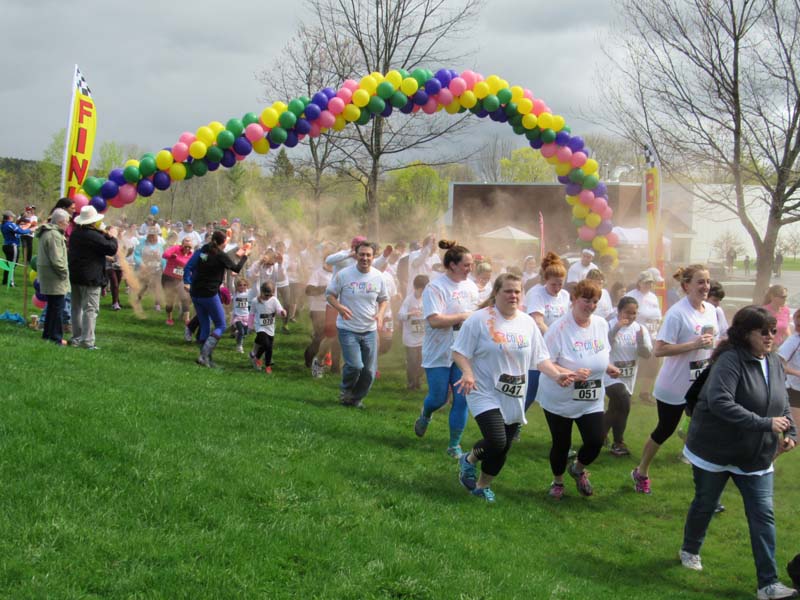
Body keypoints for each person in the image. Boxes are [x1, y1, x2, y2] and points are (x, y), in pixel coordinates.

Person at [679, 306, 797, 600]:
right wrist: (764, 423)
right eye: (764, 331)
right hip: (715, 449)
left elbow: (781, 402)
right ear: (746, 334)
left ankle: (768, 585)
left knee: (762, 515)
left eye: (774, 330)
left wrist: (790, 431)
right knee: (706, 502)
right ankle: (690, 548)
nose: (771, 336)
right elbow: (720, 401)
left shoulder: (773, 361)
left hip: (755, 456)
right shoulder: (730, 361)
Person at [452, 273, 575, 503]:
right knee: (497, 440)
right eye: (508, 291)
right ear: (496, 293)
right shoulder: (479, 320)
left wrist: (557, 375)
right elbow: (459, 351)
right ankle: (468, 460)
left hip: (514, 394)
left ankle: (481, 486)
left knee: (503, 447)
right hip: (484, 390)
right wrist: (467, 373)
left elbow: (541, 359)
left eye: (517, 291)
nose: (513, 295)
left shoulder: (527, 322)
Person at [632, 264, 719, 494]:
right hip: (674, 385)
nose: (705, 286)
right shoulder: (677, 313)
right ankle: (641, 471)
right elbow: (659, 350)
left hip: (700, 384)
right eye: (700, 282)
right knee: (664, 430)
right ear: (686, 286)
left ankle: (706, 490)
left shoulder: (710, 310)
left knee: (705, 432)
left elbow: (714, 341)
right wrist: (694, 344)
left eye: (708, 281)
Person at [537, 279, 620, 499]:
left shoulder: (601, 324)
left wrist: (608, 367)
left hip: (590, 397)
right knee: (561, 444)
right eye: (586, 300)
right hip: (560, 397)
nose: (591, 305)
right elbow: (544, 361)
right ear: (574, 299)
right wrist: (565, 373)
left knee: (596, 440)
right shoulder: (559, 329)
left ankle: (578, 469)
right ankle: (558, 482)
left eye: (595, 301)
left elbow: (601, 353)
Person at [413, 239, 479, 456]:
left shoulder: (471, 287)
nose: (471, 269)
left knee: (462, 398)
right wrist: (463, 317)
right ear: (452, 265)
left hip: (463, 352)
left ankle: (454, 445)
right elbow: (434, 320)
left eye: (471, 265)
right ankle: (426, 414)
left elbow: (476, 317)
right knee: (439, 397)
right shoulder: (435, 287)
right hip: (438, 350)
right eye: (466, 265)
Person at [325, 241, 388, 408]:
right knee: (355, 365)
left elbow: (383, 299)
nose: (365, 258)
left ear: (373, 257)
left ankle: (356, 398)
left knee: (369, 372)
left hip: (369, 330)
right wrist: (339, 307)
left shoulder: (378, 276)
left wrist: (380, 314)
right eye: (362, 254)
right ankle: (346, 391)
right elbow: (329, 295)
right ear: (356, 255)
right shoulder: (344, 274)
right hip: (348, 328)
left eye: (368, 255)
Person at [183, 230, 250, 367]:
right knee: (221, 325)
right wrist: (245, 256)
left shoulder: (203, 250)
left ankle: (205, 358)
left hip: (196, 292)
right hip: (209, 293)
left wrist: (187, 281)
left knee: (205, 325)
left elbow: (189, 266)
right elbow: (236, 269)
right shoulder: (220, 255)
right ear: (223, 243)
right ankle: (204, 356)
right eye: (225, 242)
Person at [603, 296, 653, 456]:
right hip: (610, 375)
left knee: (615, 408)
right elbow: (603, 346)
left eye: (634, 313)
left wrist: (641, 342)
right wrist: (616, 328)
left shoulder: (640, 329)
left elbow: (646, 354)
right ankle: (619, 442)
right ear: (619, 311)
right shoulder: (608, 325)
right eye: (627, 313)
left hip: (628, 376)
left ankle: (599, 433)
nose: (630, 317)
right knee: (624, 402)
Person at [522, 252, 570, 412]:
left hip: (557, 347)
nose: (557, 288)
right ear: (545, 280)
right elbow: (537, 320)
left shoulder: (564, 295)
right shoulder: (537, 293)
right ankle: (513, 424)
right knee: (531, 389)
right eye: (553, 284)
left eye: (560, 284)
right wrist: (553, 337)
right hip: (537, 346)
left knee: (557, 387)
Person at [67, 206, 119, 350]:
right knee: (90, 309)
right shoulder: (93, 235)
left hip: (75, 274)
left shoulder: (76, 233)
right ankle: (87, 341)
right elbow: (111, 248)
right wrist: (112, 236)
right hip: (90, 276)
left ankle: (76, 337)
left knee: (76, 308)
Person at [627, 268, 665, 405]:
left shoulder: (653, 297)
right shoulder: (631, 296)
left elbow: (657, 315)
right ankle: (628, 392)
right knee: (636, 365)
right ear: (639, 283)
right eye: (646, 282)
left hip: (653, 335)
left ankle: (645, 393)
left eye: (651, 283)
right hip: (637, 335)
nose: (649, 285)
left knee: (653, 365)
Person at [36, 209, 71, 345]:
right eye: (67, 221)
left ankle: (48, 334)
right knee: (57, 308)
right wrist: (64, 273)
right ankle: (56, 337)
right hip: (55, 276)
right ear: (61, 222)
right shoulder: (54, 235)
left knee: (52, 306)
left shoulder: (48, 233)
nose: (68, 224)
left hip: (49, 275)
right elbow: (57, 259)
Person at [304, 248, 338, 378]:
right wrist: (324, 288)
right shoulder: (318, 273)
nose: (331, 265)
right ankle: (309, 359)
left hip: (334, 309)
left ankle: (335, 367)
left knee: (335, 339)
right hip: (319, 309)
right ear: (324, 262)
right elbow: (308, 290)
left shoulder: (338, 274)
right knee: (319, 338)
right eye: (328, 262)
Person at [398, 274, 429, 390]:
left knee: (422, 362)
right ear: (416, 288)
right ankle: (411, 384)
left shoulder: (427, 299)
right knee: (412, 362)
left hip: (423, 337)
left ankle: (418, 380)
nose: (424, 292)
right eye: (422, 289)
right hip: (410, 337)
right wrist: (410, 314)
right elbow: (400, 315)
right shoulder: (409, 300)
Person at [248, 282, 286, 374]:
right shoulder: (255, 301)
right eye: (266, 295)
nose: (268, 297)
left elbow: (279, 310)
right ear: (261, 292)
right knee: (267, 345)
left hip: (270, 328)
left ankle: (256, 358)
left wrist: (283, 312)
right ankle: (268, 366)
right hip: (260, 327)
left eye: (270, 295)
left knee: (268, 347)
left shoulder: (274, 300)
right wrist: (250, 326)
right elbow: (251, 314)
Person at [161, 236, 194, 326]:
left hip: (181, 279)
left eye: (189, 247)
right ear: (182, 245)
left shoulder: (192, 255)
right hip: (169, 277)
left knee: (185, 297)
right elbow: (164, 255)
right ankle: (169, 318)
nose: (187, 248)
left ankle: (187, 319)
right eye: (185, 246)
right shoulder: (175, 249)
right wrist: (171, 256)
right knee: (170, 299)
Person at [778, 308, 800, 430]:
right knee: (796, 435)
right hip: (794, 391)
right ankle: (770, 448)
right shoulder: (794, 341)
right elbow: (778, 364)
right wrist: (797, 373)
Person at [2, 210, 33, 286]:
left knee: (8, 264)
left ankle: (5, 281)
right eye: (12, 217)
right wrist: (30, 229)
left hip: (7, 245)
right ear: (9, 217)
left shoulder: (4, 224)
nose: (13, 218)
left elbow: (17, 230)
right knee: (13, 264)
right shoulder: (10, 224)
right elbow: (20, 232)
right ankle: (10, 282)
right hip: (13, 246)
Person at [231, 276, 252, 353]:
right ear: (237, 287)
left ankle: (237, 334)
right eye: (240, 285)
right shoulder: (235, 293)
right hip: (237, 317)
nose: (242, 287)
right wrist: (232, 278)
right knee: (241, 332)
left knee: (245, 333)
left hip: (246, 316)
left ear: (247, 286)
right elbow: (231, 286)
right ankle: (239, 346)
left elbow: (256, 289)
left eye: (244, 285)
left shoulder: (248, 293)